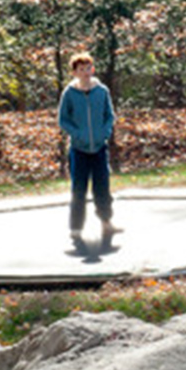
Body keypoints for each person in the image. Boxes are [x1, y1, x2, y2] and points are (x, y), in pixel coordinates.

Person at [57, 51, 119, 244]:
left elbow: (110, 115)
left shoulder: (102, 91)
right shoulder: (69, 93)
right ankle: (76, 228)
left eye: (88, 68)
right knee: (79, 189)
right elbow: (63, 120)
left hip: (99, 148)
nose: (86, 72)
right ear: (74, 72)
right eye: (81, 69)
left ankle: (106, 222)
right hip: (79, 150)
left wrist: (105, 132)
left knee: (102, 187)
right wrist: (78, 134)